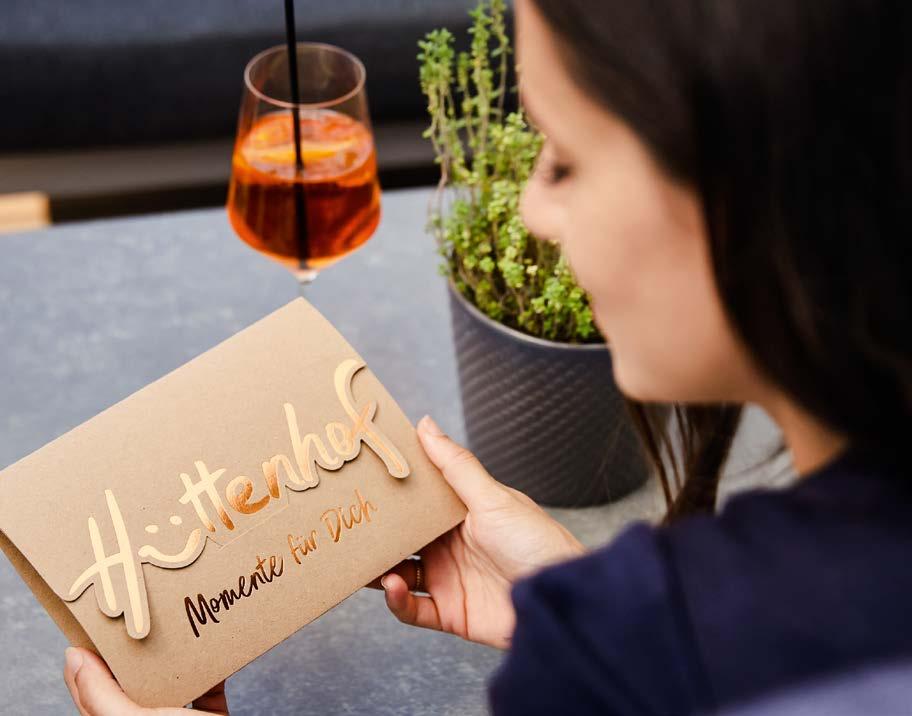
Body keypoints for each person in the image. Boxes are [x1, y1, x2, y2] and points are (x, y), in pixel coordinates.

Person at [63, 0, 910, 713]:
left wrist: (609, 639)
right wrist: (574, 602)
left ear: (750, 177)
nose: (532, 210)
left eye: (564, 160)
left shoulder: (637, 650)